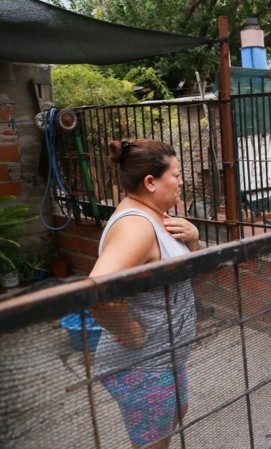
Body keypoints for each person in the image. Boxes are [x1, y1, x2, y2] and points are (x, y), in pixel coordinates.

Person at [89, 139, 199, 449]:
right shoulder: (137, 226)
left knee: (177, 413)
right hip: (143, 363)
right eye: (175, 175)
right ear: (151, 182)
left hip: (165, 357)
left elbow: (175, 268)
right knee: (155, 442)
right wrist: (133, 334)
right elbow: (98, 290)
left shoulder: (154, 215)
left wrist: (194, 238)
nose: (181, 181)